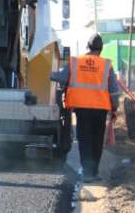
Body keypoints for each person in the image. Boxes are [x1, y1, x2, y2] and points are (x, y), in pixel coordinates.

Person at [51, 34, 121, 182]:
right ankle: (94, 172)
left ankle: (87, 173)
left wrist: (51, 75)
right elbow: (114, 90)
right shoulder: (107, 65)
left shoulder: (76, 62)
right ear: (101, 50)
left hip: (82, 109)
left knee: (84, 140)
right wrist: (114, 108)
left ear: (87, 47)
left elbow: (62, 78)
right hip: (100, 110)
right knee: (96, 140)